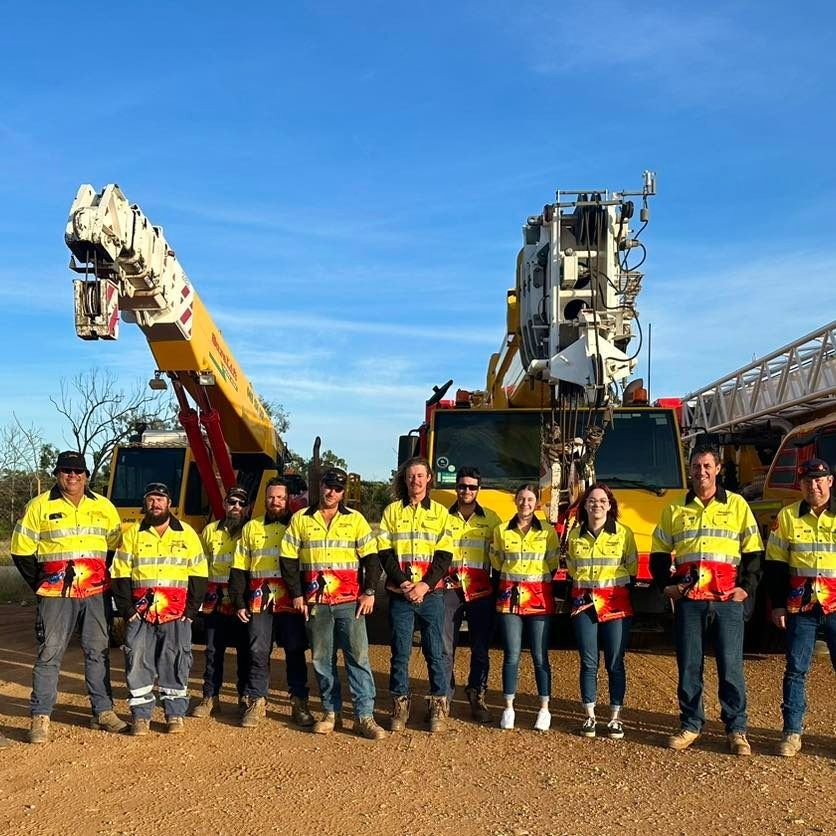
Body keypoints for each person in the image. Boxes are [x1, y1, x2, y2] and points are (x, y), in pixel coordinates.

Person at [650, 442, 763, 756]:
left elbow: (754, 552)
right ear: (690, 470)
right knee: (689, 665)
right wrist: (667, 586)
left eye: (707, 466)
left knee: (731, 666)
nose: (702, 472)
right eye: (696, 466)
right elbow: (659, 554)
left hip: (727, 601)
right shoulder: (675, 508)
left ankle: (737, 729)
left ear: (718, 469)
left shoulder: (738, 505)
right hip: (690, 601)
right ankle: (690, 724)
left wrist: (747, 588)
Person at [10, 450, 126, 744]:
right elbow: (21, 550)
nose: (72, 476)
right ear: (57, 474)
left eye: (78, 471)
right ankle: (41, 716)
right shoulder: (38, 506)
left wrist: (99, 574)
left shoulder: (105, 507)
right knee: (50, 652)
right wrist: (41, 583)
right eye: (66, 471)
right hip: (55, 594)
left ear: (87, 476)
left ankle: (103, 712)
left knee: (97, 652)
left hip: (96, 593)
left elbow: (114, 547)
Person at [280, 467, 386, 740]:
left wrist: (370, 591)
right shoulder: (301, 519)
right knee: (321, 660)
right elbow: (288, 559)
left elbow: (371, 559)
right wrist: (296, 594)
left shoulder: (356, 520)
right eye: (328, 486)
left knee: (358, 658)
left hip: (350, 603)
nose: (332, 492)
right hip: (316, 603)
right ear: (321, 486)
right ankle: (330, 712)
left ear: (343, 493)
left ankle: (364, 716)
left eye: (338, 488)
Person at [111, 482, 208, 735]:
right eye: (151, 499)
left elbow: (199, 574)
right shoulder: (133, 534)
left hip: (176, 615)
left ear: (169, 504)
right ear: (146, 503)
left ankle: (174, 715)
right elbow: (119, 574)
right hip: (140, 615)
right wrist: (127, 610)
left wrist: (191, 611)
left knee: (175, 661)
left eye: (160, 499)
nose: (155, 504)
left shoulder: (187, 534)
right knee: (137, 662)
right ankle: (141, 716)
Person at [765, 457, 836, 757]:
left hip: (835, 606)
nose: (814, 485)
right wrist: (778, 606)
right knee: (796, 670)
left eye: (819, 480)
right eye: (807, 481)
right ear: (801, 484)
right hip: (801, 608)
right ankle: (792, 733)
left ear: (830, 481)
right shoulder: (788, 517)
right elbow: (775, 565)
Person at [229, 477, 313, 729]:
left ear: (288, 499)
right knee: (257, 650)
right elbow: (239, 567)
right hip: (259, 600)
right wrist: (238, 601)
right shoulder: (251, 528)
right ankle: (256, 700)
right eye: (270, 497)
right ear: (264, 499)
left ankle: (299, 702)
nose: (275, 501)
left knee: (295, 650)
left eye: (279, 497)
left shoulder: (298, 525)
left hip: (292, 598)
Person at [378, 457, 453, 733]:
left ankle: (438, 706)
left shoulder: (441, 514)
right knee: (400, 653)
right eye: (411, 476)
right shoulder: (391, 512)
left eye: (421, 476)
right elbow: (385, 552)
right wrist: (405, 583)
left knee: (436, 652)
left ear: (429, 478)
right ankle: (399, 706)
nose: (416, 481)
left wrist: (424, 585)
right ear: (405, 480)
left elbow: (445, 556)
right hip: (400, 595)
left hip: (431, 595)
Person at [566, 483, 637, 739]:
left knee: (615, 662)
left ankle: (616, 718)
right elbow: (572, 568)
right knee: (588, 661)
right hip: (583, 603)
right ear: (584, 505)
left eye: (602, 501)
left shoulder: (624, 534)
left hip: (616, 604)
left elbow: (631, 568)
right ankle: (590, 715)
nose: (597, 505)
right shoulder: (574, 536)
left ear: (610, 505)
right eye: (592, 501)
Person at [491, 483, 559, 732]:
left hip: (539, 601)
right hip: (509, 601)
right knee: (512, 655)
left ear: (537, 503)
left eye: (530, 499)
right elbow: (497, 562)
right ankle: (509, 707)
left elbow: (552, 564)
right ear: (515, 501)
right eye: (521, 499)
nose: (525, 503)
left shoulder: (548, 532)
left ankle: (544, 708)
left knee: (540, 657)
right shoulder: (501, 531)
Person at [442, 466, 501, 722]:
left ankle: (477, 694)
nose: (466, 491)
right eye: (462, 486)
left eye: (472, 487)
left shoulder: (493, 519)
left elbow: (499, 558)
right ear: (456, 488)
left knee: (480, 647)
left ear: (479, 489)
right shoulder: (442, 517)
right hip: (449, 589)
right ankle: (443, 697)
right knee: (445, 647)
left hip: (481, 590)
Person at [190, 486, 252, 718]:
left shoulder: (250, 531)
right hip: (215, 602)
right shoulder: (209, 532)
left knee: (246, 651)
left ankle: (245, 697)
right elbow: (199, 566)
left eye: (240, 503)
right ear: (225, 505)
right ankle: (210, 697)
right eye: (231, 502)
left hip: (242, 603)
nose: (235, 507)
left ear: (246, 508)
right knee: (213, 651)